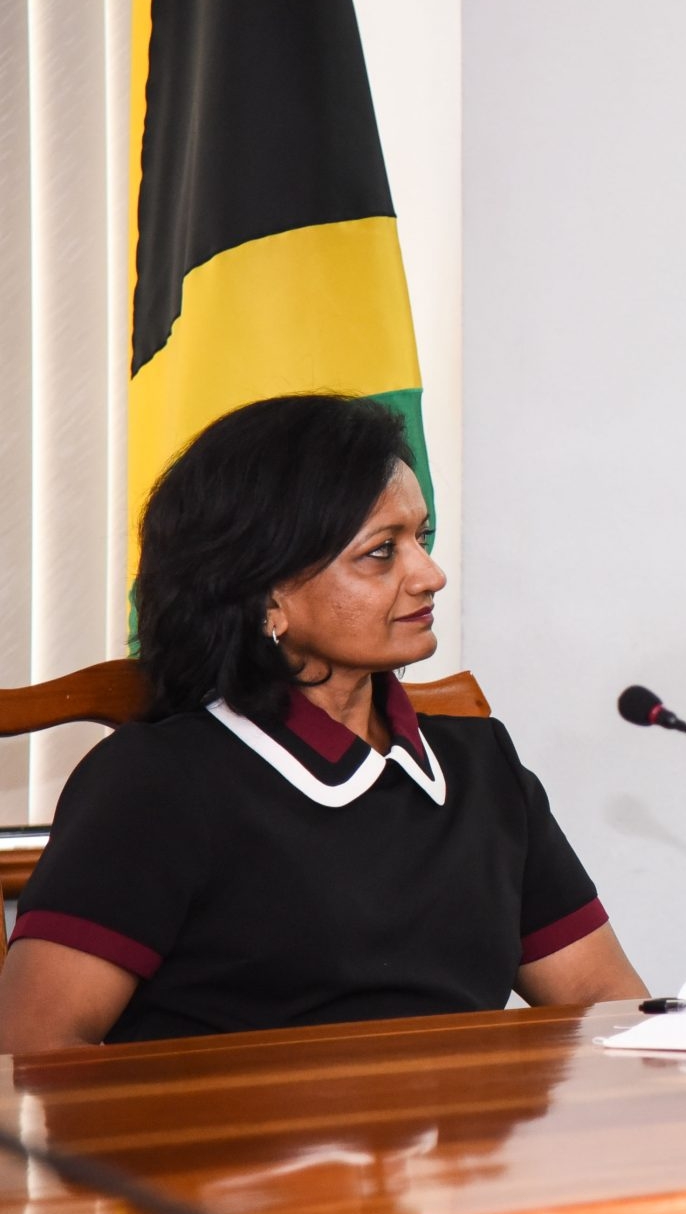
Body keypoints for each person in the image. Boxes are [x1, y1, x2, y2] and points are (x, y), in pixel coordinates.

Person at [0, 395, 647, 1053]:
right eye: (380, 552)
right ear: (267, 592)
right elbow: (37, 1046)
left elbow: (602, 999)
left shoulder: (483, 769)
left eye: (419, 539)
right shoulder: (155, 783)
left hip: (462, 1149)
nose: (430, 573)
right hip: (232, 1153)